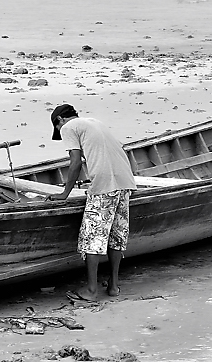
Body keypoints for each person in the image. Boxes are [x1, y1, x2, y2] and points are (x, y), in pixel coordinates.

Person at [47, 103, 136, 301]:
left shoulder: (69, 127)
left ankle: (92, 291)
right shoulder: (95, 122)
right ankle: (113, 286)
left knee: (92, 238)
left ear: (60, 121)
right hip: (125, 182)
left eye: (58, 129)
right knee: (116, 235)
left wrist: (64, 193)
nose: (60, 132)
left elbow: (76, 162)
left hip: (105, 186)